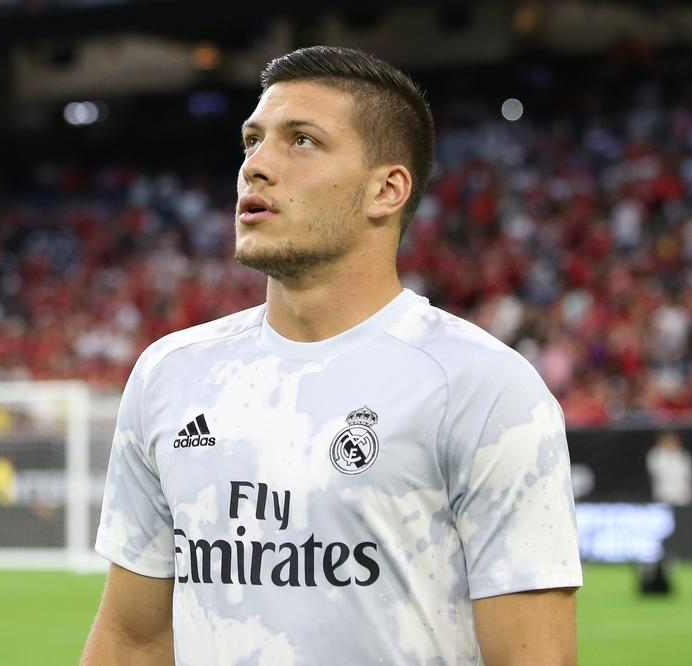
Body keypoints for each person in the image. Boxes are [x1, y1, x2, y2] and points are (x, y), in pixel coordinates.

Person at [82, 45, 582, 665]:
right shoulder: (171, 374)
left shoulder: (482, 388)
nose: (256, 166)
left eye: (302, 141)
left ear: (386, 190)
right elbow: (133, 640)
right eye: (252, 141)